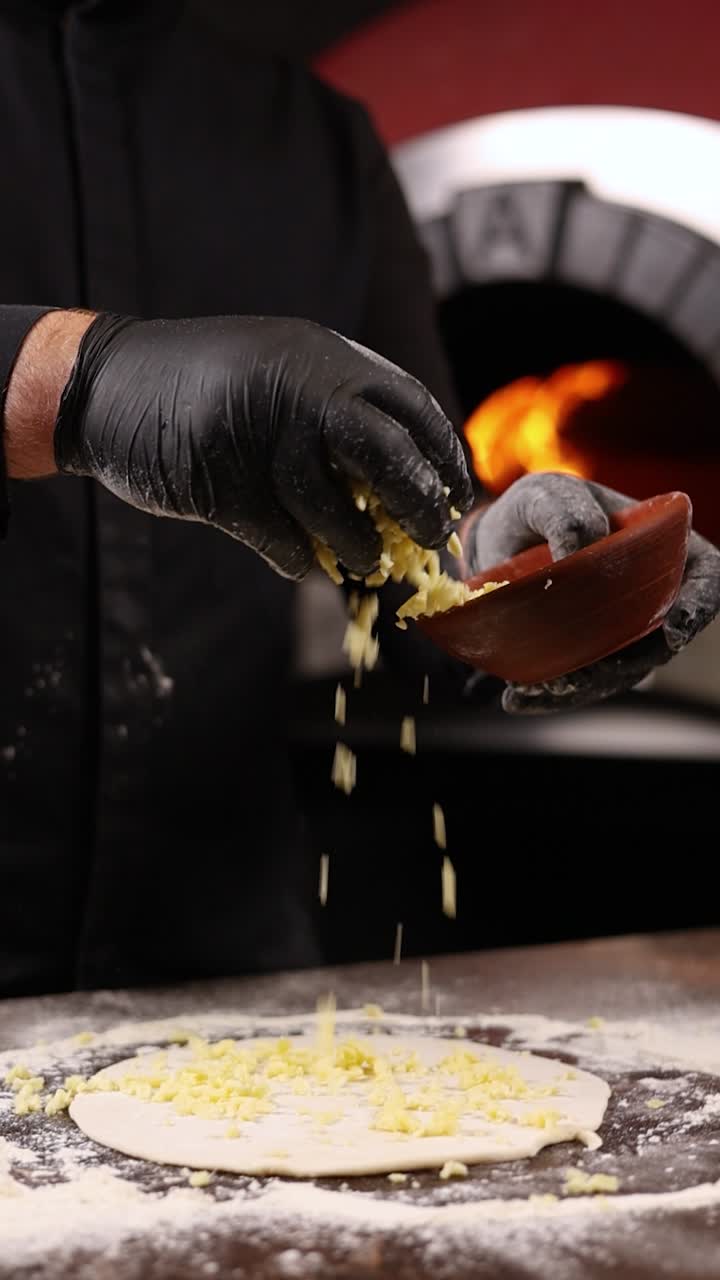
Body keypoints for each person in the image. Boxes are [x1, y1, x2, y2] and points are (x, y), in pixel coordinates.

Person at [1, 0, 718, 999]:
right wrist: (81, 380)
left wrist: (528, 572)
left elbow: (419, 527)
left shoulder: (310, 139)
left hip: (222, 957)